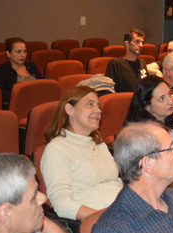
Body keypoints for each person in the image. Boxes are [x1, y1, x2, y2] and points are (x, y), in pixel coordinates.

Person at [41, 86, 122, 220]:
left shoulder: (99, 144)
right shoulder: (57, 150)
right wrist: (104, 218)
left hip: (123, 211)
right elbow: (62, 204)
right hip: (100, 222)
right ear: (70, 110)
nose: (98, 110)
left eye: (98, 105)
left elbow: (115, 183)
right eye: (90, 104)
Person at [0, 37, 43, 104]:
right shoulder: (1, 69)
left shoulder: (31, 66)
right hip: (17, 104)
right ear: (8, 54)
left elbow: (42, 85)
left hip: (37, 102)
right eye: (18, 52)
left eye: (25, 51)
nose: (23, 55)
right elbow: (0, 93)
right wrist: (23, 96)